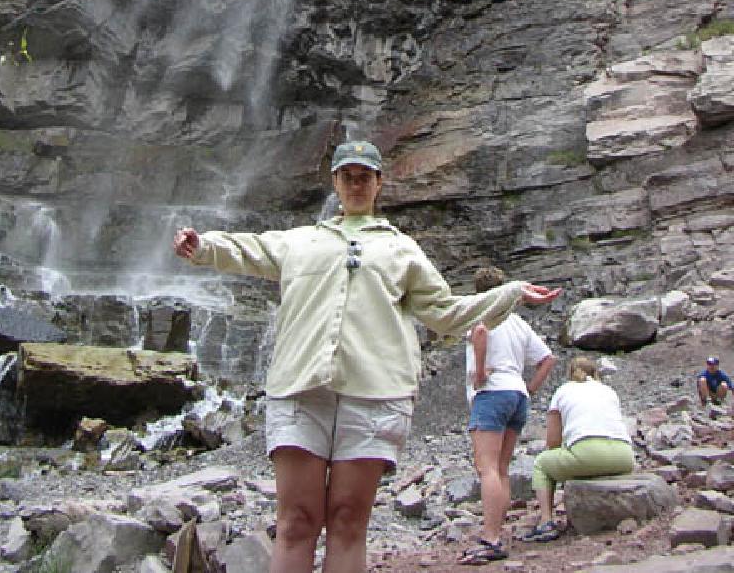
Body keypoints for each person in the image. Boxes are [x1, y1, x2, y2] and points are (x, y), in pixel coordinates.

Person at [173, 139, 562, 573]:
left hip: (375, 395)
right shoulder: (300, 240)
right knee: (296, 522)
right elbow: (251, 249)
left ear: (379, 183)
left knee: (348, 521)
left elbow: (446, 313)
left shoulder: (403, 250)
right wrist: (204, 246)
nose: (356, 183)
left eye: (365, 176)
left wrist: (509, 294)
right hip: (300, 387)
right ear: (335, 182)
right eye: (347, 176)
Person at [460, 266, 556, 565]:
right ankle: (497, 533)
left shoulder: (484, 314)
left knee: (486, 468)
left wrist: (478, 371)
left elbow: (478, 333)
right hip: (517, 395)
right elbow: (548, 359)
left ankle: (490, 538)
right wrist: (529, 388)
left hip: (491, 393)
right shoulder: (519, 324)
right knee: (501, 468)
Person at [523, 355, 634, 543]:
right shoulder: (608, 391)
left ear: (570, 374)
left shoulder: (563, 391)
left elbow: (553, 441)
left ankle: (546, 521)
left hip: (588, 453)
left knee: (541, 464)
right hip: (624, 456)